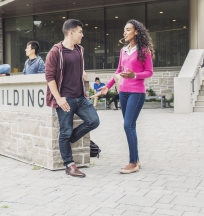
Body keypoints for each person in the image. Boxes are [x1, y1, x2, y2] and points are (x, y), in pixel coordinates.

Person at [45, 19, 100, 178]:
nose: (82, 35)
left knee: (94, 121)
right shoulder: (55, 51)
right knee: (65, 131)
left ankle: (69, 139)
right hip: (65, 99)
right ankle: (69, 165)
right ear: (71, 32)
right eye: (80, 32)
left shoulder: (79, 50)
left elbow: (76, 68)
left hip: (80, 97)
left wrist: (82, 73)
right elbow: (49, 77)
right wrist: (59, 99)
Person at [101, 19, 154, 174]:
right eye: (124, 30)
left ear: (136, 31)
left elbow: (149, 72)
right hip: (123, 92)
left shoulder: (144, 50)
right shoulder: (123, 50)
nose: (125, 32)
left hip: (137, 92)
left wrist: (134, 75)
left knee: (128, 125)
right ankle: (136, 160)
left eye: (128, 29)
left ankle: (133, 162)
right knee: (129, 125)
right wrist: (108, 86)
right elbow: (118, 71)